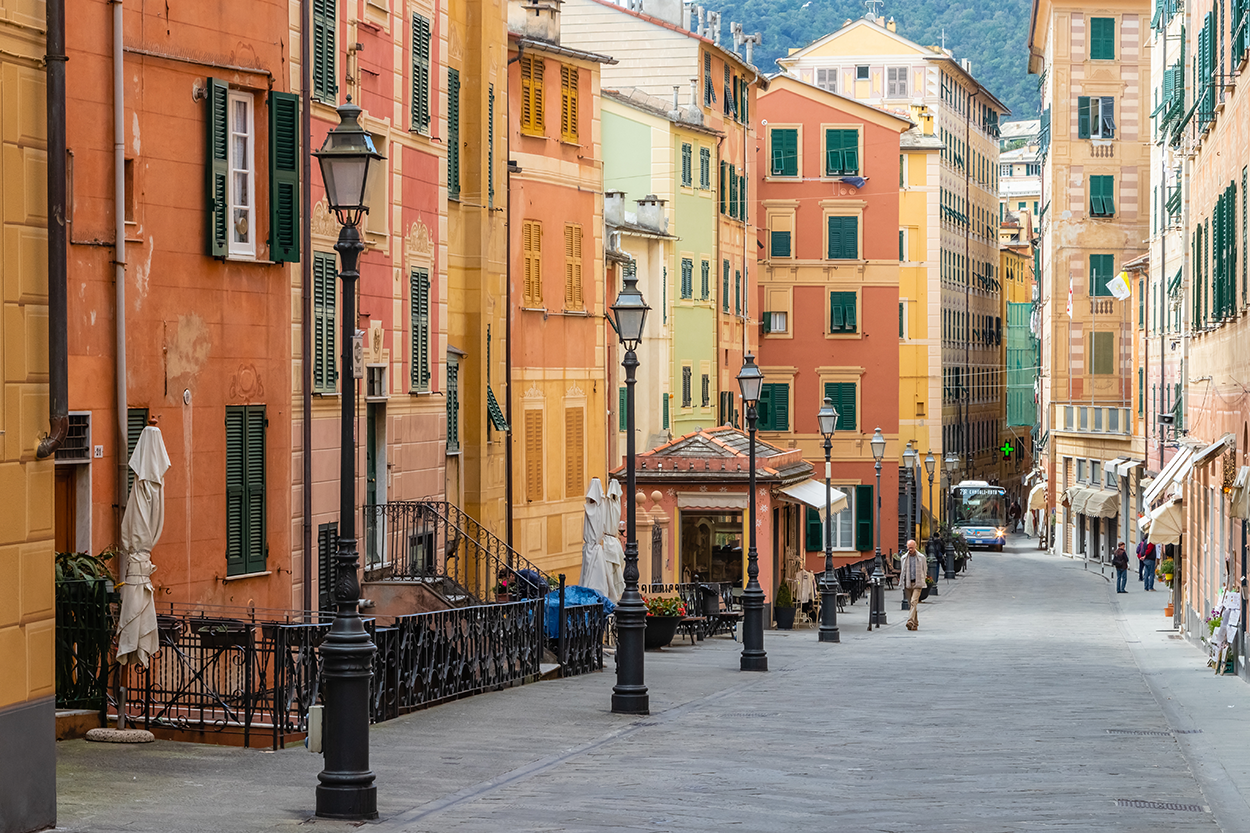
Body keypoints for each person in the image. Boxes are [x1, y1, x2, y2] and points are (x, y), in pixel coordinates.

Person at [900, 539, 927, 631]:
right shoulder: (904, 558)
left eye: (911, 547)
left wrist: (923, 579)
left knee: (913, 602)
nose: (910, 549)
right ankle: (915, 624)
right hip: (908, 583)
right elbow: (902, 571)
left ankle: (910, 621)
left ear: (915, 547)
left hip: (917, 583)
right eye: (909, 547)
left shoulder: (921, 557)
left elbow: (924, 569)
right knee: (911, 604)